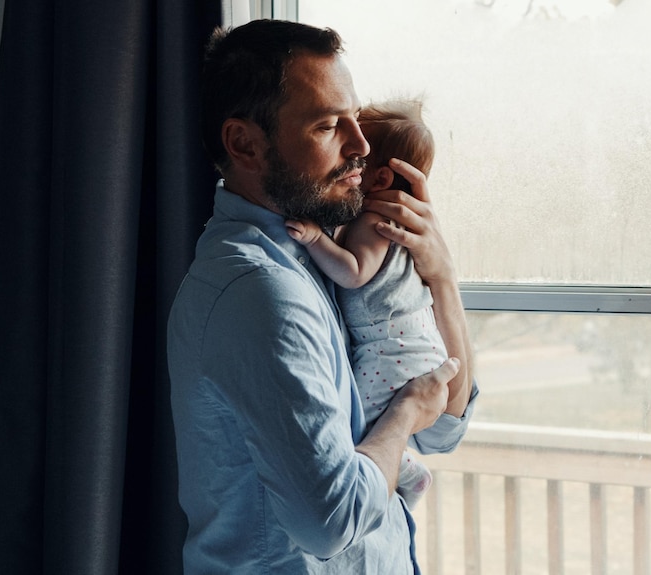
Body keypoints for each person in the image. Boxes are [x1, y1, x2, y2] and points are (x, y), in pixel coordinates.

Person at [166, 18, 477, 574]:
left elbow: (447, 426)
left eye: (356, 119)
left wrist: (441, 278)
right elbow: (330, 522)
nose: (362, 147)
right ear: (245, 144)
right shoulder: (261, 292)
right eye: (329, 126)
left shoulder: (319, 254)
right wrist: (405, 412)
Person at [285, 98, 442, 510]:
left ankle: (410, 473)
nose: (349, 158)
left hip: (394, 347)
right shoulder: (380, 217)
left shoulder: (375, 220)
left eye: (359, 159)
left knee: (360, 436)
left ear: (381, 177)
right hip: (405, 342)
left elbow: (354, 272)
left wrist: (317, 239)